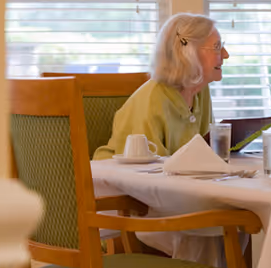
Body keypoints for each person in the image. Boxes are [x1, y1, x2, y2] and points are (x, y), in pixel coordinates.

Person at [93, 12, 229, 160]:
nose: (226, 54)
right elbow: (148, 170)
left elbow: (204, 152)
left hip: (172, 179)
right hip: (116, 179)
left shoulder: (200, 90)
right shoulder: (153, 98)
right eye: (216, 47)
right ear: (189, 53)